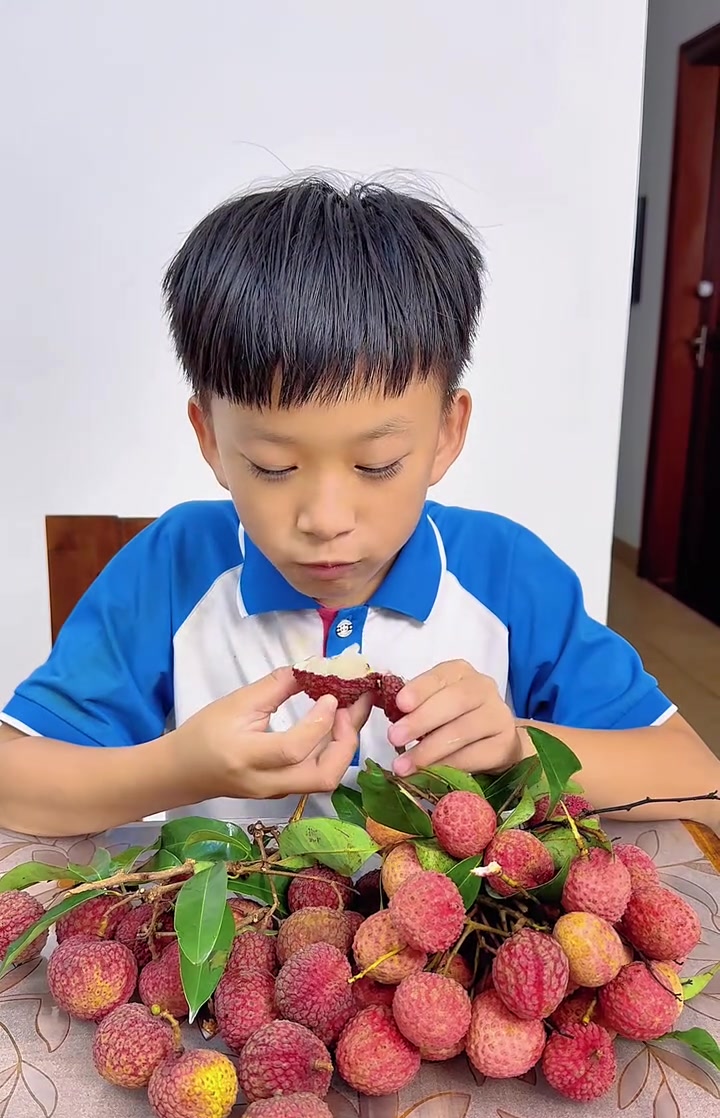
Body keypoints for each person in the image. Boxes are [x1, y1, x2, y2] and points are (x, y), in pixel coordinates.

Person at [0, 177, 718, 838]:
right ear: (210, 439)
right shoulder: (174, 566)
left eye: (376, 465)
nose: (325, 518)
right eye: (273, 466)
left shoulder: (506, 573)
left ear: (446, 433)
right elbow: (13, 781)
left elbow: (698, 780)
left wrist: (518, 750)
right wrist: (181, 768)